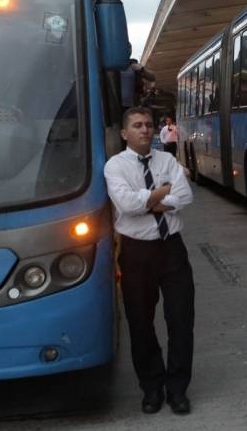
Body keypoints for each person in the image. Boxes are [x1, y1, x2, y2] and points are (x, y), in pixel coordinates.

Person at [104, 106, 196, 415]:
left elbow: (185, 198)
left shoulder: (167, 159)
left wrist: (149, 199)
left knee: (181, 320)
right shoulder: (114, 167)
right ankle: (152, 388)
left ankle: (178, 389)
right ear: (124, 133)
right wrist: (163, 193)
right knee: (140, 324)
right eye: (138, 125)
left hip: (172, 250)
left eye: (148, 125)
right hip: (136, 253)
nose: (145, 130)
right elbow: (127, 205)